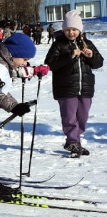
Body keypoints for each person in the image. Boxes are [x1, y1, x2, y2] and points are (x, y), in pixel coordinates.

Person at [0, 33, 39, 196]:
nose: (25, 63)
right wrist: (14, 107)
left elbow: (0, 88)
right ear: (14, 54)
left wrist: (16, 105)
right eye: (24, 59)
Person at [44, 11, 103, 158]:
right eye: (68, 29)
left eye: (74, 29)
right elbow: (50, 64)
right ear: (64, 30)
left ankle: (76, 140)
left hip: (85, 87)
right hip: (66, 88)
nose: (71, 32)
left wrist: (92, 56)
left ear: (79, 30)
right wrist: (69, 56)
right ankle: (72, 141)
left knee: (82, 117)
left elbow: (98, 63)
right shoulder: (59, 44)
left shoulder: (87, 43)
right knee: (70, 117)